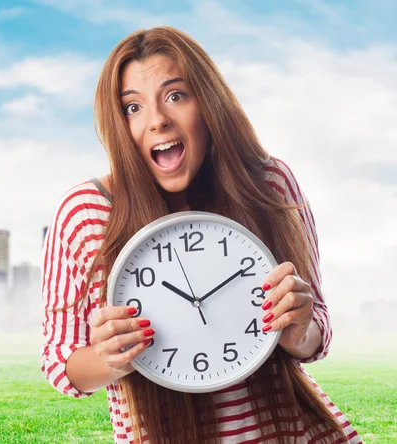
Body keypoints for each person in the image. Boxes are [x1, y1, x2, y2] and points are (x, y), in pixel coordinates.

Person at [41, 26, 362, 443]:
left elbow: (315, 328)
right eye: (132, 107)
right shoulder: (86, 212)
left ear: (208, 102)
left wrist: (298, 329)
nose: (157, 120)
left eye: (176, 95)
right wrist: (110, 359)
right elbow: (59, 363)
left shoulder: (269, 182)